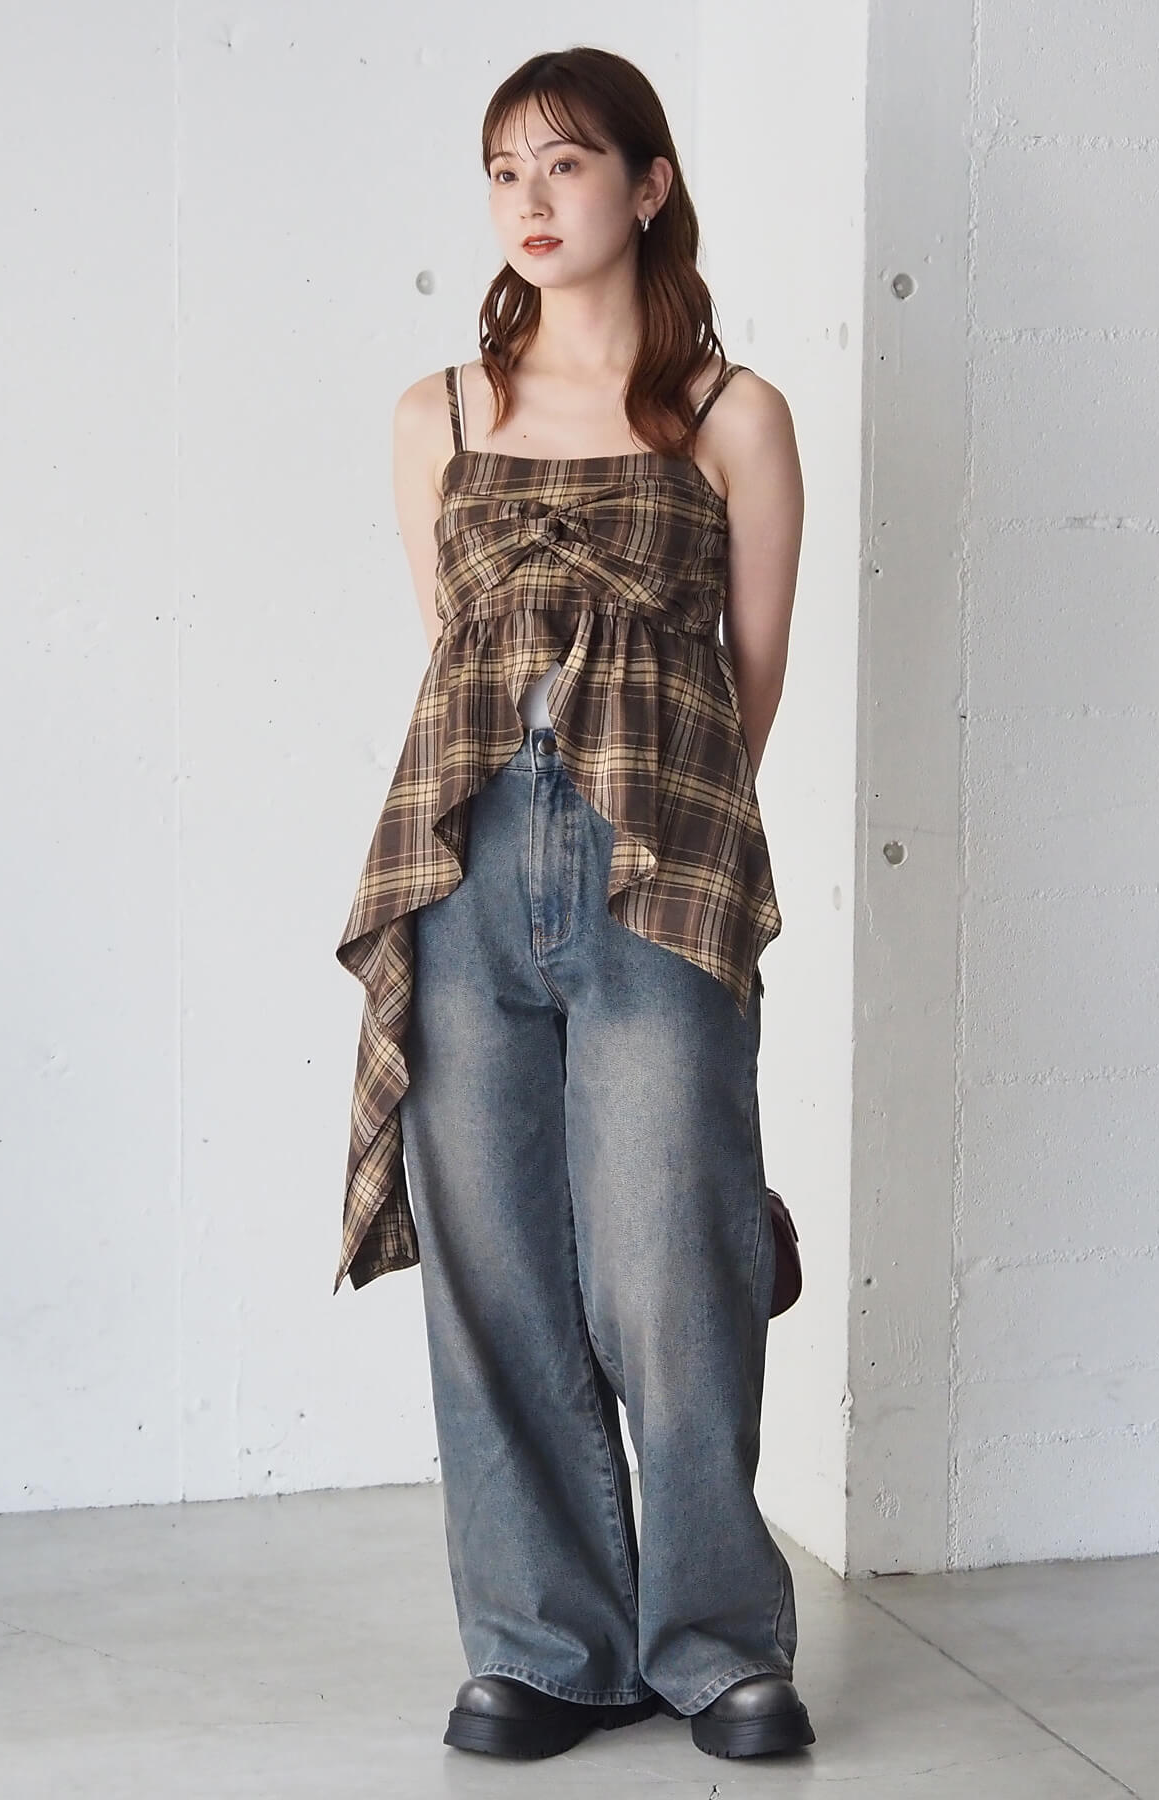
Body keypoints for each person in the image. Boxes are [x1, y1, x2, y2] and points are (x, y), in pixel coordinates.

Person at [333, 45, 809, 1763]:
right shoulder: (441, 416)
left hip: (657, 858)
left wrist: (647, 821)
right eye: (504, 170)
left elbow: (750, 679)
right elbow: (457, 655)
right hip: (462, 858)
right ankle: (543, 1644)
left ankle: (717, 1644)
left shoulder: (734, 414)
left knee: (674, 1253)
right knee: (495, 1264)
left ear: (649, 184)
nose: (530, 201)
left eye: (568, 163)